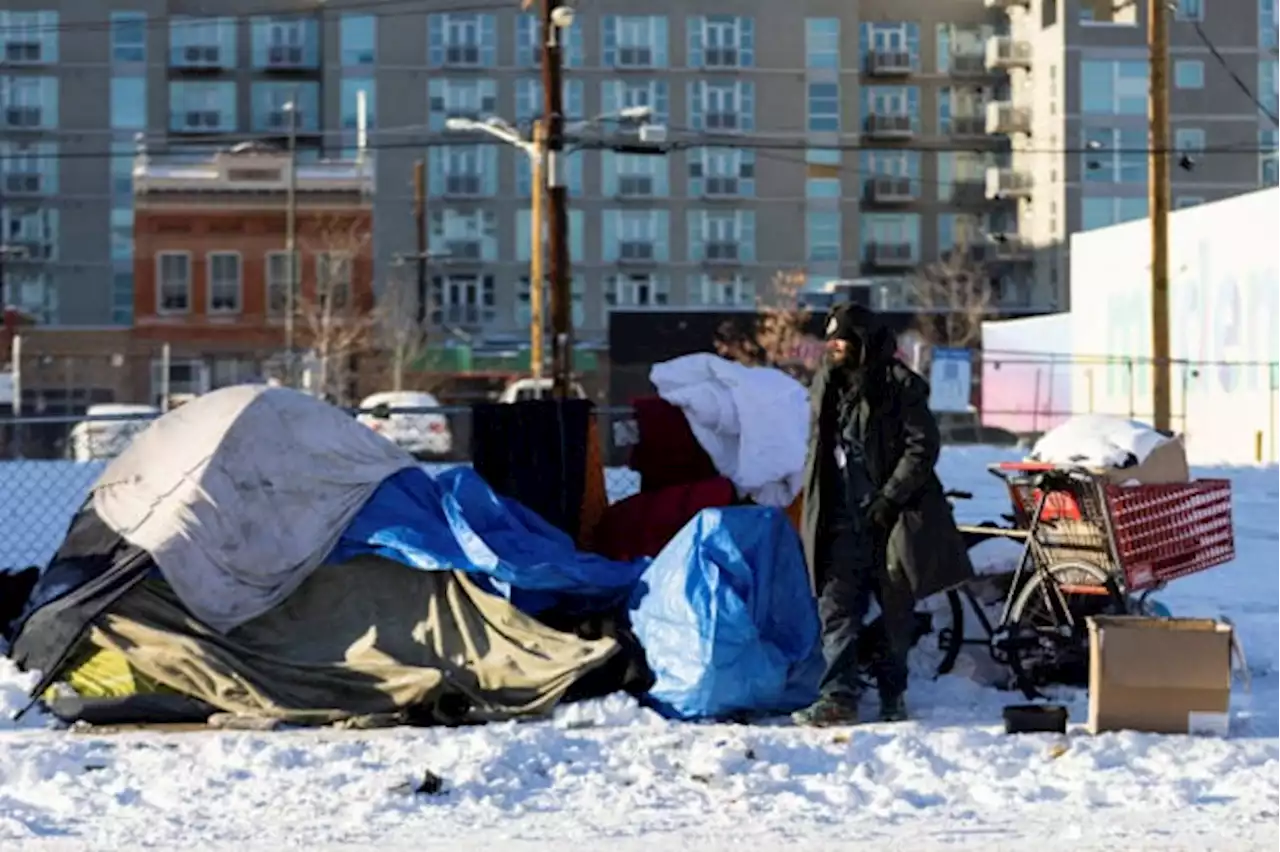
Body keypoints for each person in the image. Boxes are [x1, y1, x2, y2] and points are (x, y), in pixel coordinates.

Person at [794, 303, 974, 727]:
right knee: (835, 607)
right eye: (831, 339)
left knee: (895, 611)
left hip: (889, 519)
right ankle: (838, 697)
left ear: (863, 341)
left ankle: (893, 693)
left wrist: (890, 498)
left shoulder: (899, 386)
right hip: (838, 518)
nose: (834, 346)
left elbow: (921, 448)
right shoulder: (826, 384)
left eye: (843, 339)